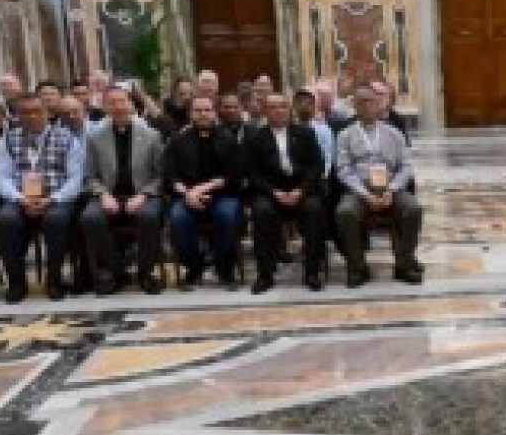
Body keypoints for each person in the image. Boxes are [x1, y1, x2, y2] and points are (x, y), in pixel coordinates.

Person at [0, 91, 85, 303]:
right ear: (18, 115)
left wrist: (51, 199)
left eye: (37, 111)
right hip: (19, 198)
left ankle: (54, 280)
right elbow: (3, 176)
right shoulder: (8, 139)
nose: (32, 116)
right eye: (25, 113)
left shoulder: (66, 138)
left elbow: (75, 178)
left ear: (47, 113)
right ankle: (17, 283)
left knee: (56, 220)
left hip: (56, 197)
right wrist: (20, 198)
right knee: (5, 220)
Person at [80, 86, 167, 296]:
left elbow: (161, 176)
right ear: (105, 107)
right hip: (108, 194)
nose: (118, 107)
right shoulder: (94, 137)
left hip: (143, 194)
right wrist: (103, 194)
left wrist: (143, 195)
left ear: (131, 104)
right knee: (90, 218)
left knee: (149, 216)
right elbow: (89, 176)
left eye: (122, 101)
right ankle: (118, 271)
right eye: (112, 102)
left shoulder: (152, 136)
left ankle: (145, 273)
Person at [333, 85, 423, 287]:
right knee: (345, 212)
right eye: (362, 102)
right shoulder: (345, 135)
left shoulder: (394, 133)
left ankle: (404, 264)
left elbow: (406, 166)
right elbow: (344, 169)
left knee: (413, 209)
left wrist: (392, 190)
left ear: (378, 104)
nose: (367, 106)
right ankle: (358, 268)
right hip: (359, 189)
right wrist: (365, 194)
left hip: (391, 186)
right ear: (355, 106)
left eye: (371, 101)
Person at [246, 92, 326, 294]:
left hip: (301, 190)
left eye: (282, 106)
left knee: (315, 209)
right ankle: (265, 275)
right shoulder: (256, 137)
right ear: (265, 111)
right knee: (261, 211)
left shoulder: (305, 133)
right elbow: (253, 173)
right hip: (271, 192)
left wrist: (301, 190)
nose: (279, 111)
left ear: (289, 109)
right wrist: (274, 192)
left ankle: (312, 272)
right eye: (273, 107)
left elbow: (316, 166)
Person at [163, 94, 244, 289]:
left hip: (222, 194)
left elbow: (235, 175)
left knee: (227, 216)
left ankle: (224, 269)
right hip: (186, 196)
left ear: (214, 113)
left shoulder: (228, 139)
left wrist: (203, 188)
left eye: (207, 110)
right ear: (190, 114)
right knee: (177, 219)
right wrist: (188, 194)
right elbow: (170, 176)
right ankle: (194, 267)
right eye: (198, 110)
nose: (203, 114)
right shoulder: (178, 140)